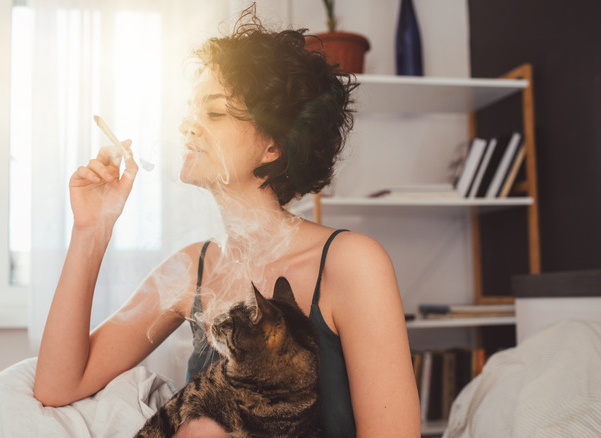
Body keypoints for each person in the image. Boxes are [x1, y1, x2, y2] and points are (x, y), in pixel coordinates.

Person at [34, 6, 420, 437]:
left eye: (214, 113)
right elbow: (56, 386)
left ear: (273, 146)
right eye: (191, 110)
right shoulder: (190, 270)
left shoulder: (352, 263)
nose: (187, 126)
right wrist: (92, 228)